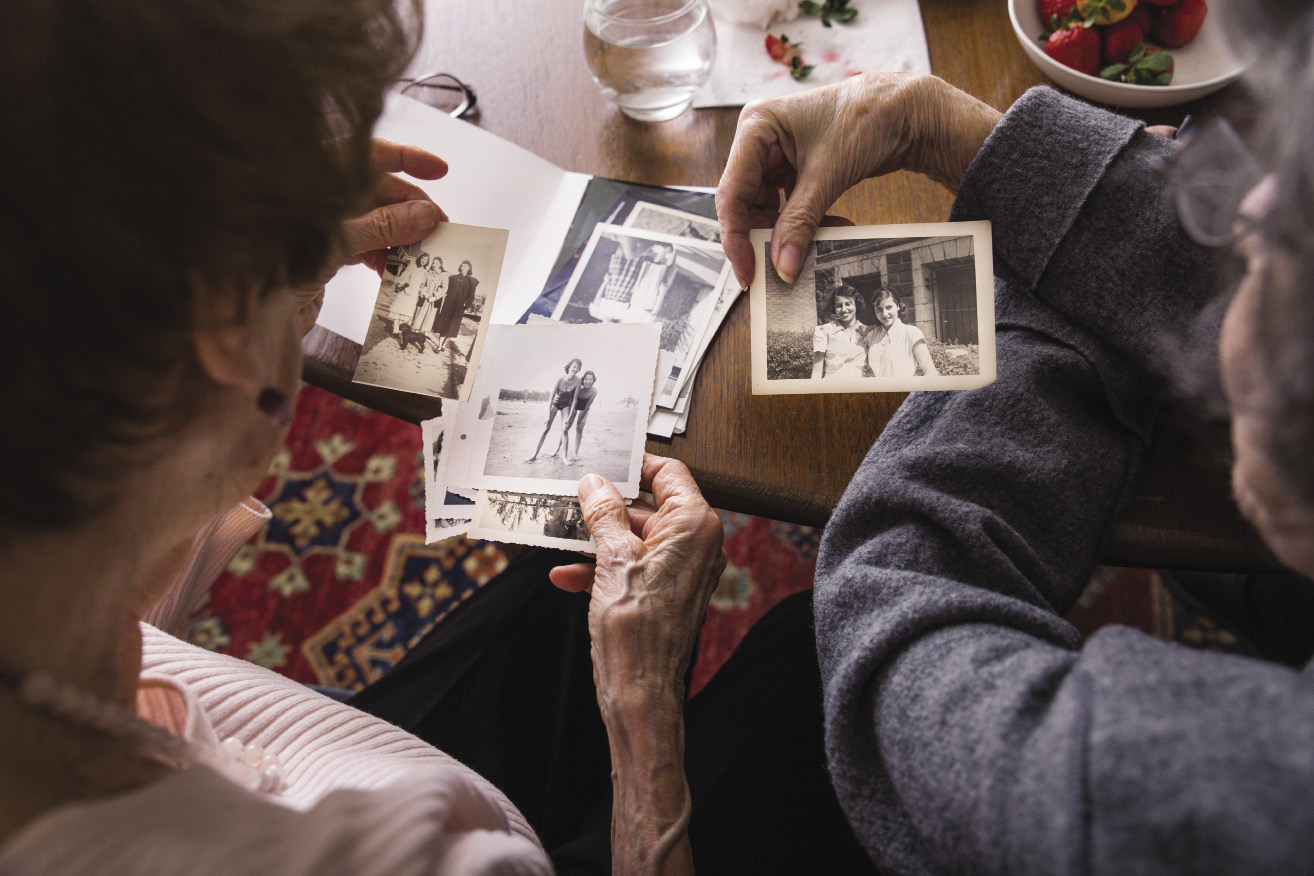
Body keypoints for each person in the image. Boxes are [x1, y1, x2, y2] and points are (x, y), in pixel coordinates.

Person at [0, 0, 879, 873]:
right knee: (825, 646)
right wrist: (642, 710)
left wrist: (259, 285)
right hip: (526, 834)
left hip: (318, 740)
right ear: (227, 337)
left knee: (557, 567)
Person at [715, 0, 1314, 871]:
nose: (1243, 208)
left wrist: (1064, 287)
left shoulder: (1224, 787)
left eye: (1260, 251)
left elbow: (895, 634)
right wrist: (925, 121)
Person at [866, 288, 938, 378]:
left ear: (898, 306)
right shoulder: (871, 335)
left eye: (889, 307)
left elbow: (931, 373)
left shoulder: (912, 333)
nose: (884, 314)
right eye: (879, 309)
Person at [524, 358, 582, 464]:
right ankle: (534, 455)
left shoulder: (578, 381)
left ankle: (564, 457)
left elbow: (574, 400)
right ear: (569, 367)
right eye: (574, 366)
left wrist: (569, 417)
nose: (576, 369)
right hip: (556, 403)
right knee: (545, 428)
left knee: (564, 429)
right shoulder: (560, 379)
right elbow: (551, 397)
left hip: (566, 405)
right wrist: (547, 415)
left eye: (578, 368)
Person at [811, 285, 869, 379]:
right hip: (833, 389)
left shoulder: (867, 331)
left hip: (859, 389)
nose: (843, 309)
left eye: (848, 304)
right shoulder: (824, 332)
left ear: (856, 304)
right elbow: (817, 372)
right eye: (839, 305)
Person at [435, 258, 478, 351]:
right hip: (448, 305)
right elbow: (445, 289)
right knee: (444, 325)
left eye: (465, 266)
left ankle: (443, 345)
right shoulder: (452, 278)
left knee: (451, 326)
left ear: (469, 268)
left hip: (459, 307)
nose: (463, 267)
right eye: (462, 266)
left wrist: (465, 304)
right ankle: (439, 346)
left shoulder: (471, 281)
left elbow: (471, 296)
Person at [556, 370, 598, 464]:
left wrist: (580, 420)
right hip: (573, 406)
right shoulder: (579, 387)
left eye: (590, 380)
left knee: (579, 429)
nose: (588, 381)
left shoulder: (594, 391)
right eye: (586, 379)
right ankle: (557, 448)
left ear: (593, 381)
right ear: (583, 380)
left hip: (584, 409)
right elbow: (573, 400)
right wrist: (571, 415)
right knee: (566, 427)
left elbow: (587, 406)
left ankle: (575, 453)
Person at [390, 251, 428, 342]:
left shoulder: (425, 271)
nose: (424, 261)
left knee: (405, 313)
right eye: (423, 258)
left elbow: (422, 283)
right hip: (406, 291)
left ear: (427, 262)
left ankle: (398, 330)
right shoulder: (413, 265)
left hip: (414, 295)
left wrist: (421, 291)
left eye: (426, 260)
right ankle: (395, 330)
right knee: (398, 311)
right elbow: (404, 277)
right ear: (420, 258)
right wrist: (405, 286)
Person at [629, 242, 676, 315]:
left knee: (654, 268)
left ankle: (665, 249)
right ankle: (675, 249)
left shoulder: (623, 319)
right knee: (668, 271)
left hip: (638, 296)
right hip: (650, 301)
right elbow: (654, 312)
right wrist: (661, 293)